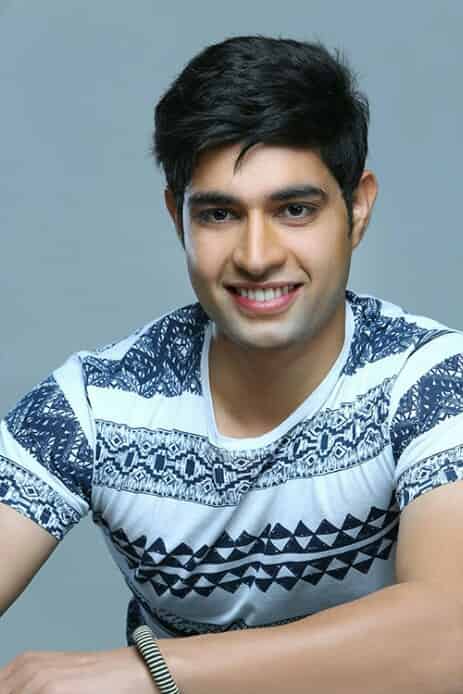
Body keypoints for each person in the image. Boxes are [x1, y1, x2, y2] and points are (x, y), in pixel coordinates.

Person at [1, 33, 463, 694]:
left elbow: (448, 634)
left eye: (294, 210)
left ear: (357, 209)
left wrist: (146, 672)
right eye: (219, 214)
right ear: (177, 217)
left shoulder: (431, 383)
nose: (256, 255)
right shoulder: (94, 405)